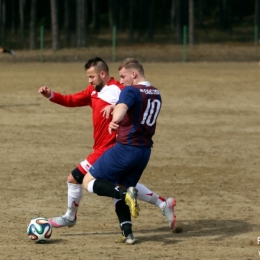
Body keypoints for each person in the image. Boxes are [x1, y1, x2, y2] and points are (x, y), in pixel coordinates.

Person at [38, 57, 176, 236]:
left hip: (110, 148)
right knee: (122, 186)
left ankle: (70, 216)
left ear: (102, 74)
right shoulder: (93, 91)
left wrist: (114, 107)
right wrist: (51, 95)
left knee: (74, 178)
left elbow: (129, 103)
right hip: (108, 148)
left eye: (92, 77)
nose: (89, 81)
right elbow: (71, 99)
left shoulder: (121, 89)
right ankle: (159, 206)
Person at [82, 58, 165, 244]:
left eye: (123, 76)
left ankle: (126, 196)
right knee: (119, 186)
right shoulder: (155, 92)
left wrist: (116, 119)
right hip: (144, 152)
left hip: (125, 148)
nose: (121, 81)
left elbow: (124, 106)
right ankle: (128, 234)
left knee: (88, 181)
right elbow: (133, 107)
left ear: (133, 74)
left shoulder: (131, 90)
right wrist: (115, 107)